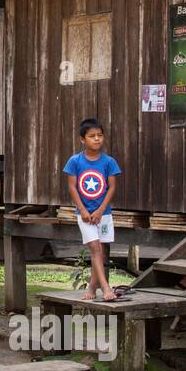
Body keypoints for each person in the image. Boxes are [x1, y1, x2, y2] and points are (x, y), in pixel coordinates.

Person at [63, 118, 121, 302]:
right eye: (92, 136)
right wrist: (83, 210)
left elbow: (111, 188)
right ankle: (106, 288)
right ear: (82, 139)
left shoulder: (109, 162)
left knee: (100, 252)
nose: (97, 139)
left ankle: (91, 288)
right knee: (95, 248)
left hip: (103, 214)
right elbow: (73, 187)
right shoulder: (75, 161)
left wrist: (100, 210)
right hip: (85, 215)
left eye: (100, 135)